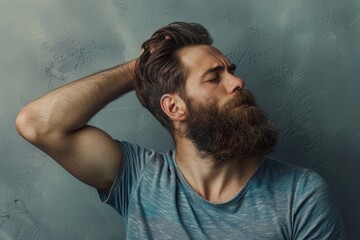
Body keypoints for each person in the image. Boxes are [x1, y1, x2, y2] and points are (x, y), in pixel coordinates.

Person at [16, 22, 347, 239]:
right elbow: (37, 124)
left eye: (230, 71)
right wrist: (142, 66)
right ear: (174, 107)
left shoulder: (299, 195)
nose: (237, 82)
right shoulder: (139, 178)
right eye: (214, 77)